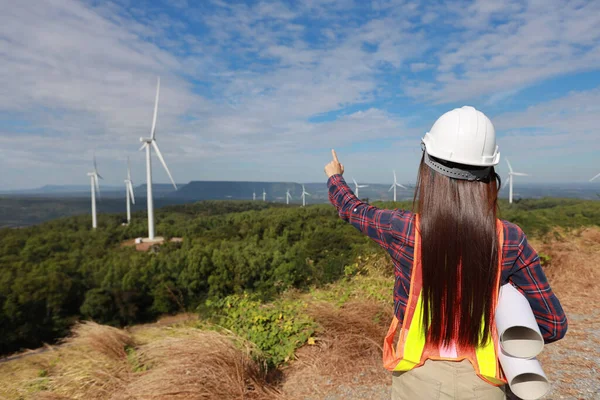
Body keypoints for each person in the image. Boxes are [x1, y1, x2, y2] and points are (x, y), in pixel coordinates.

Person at [324, 106, 567, 400]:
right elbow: (552, 325)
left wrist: (335, 178)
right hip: (484, 385)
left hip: (416, 381)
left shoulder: (403, 230)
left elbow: (353, 210)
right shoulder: (510, 240)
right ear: (490, 173)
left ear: (426, 167)